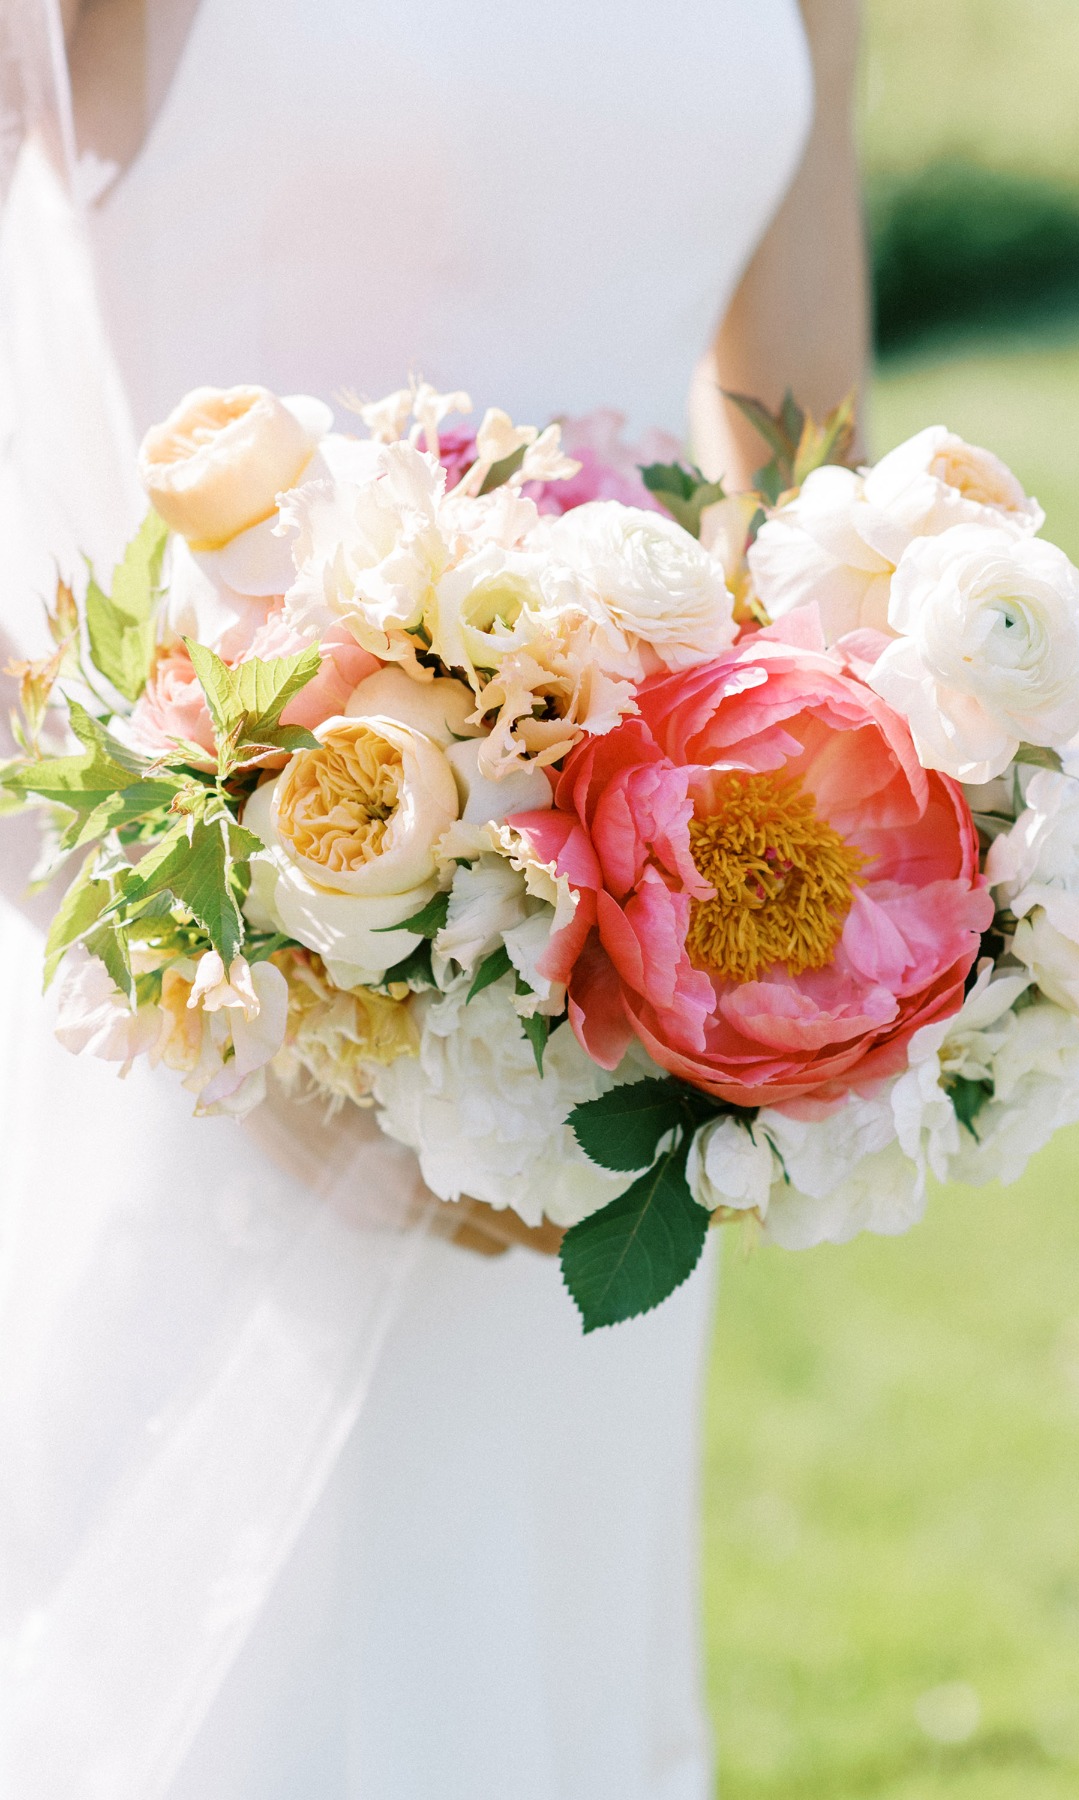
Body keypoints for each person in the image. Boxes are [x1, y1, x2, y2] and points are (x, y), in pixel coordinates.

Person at [0, 3, 867, 1795]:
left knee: (518, 1676)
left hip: (600, 1021)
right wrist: (242, 1005)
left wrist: (820, 864)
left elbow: (802, 454)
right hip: (203, 1006)